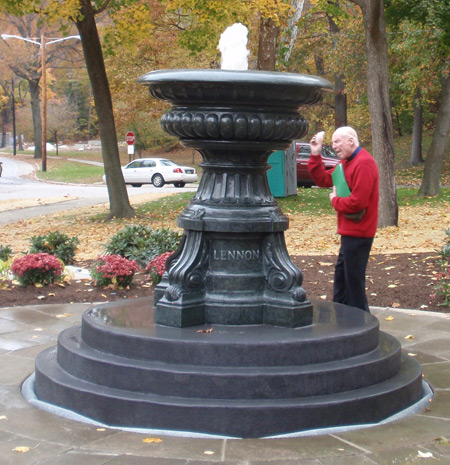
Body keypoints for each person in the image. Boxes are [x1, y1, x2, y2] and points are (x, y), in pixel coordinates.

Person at [307, 126, 379, 312]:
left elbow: (358, 203)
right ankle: (342, 318)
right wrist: (315, 155)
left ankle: (361, 325)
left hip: (359, 233)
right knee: (342, 280)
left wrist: (335, 200)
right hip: (350, 232)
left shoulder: (363, 163)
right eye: (332, 143)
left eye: (337, 142)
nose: (334, 146)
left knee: (353, 284)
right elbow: (323, 180)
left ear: (351, 141)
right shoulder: (345, 164)